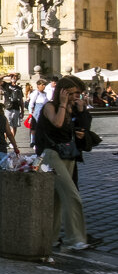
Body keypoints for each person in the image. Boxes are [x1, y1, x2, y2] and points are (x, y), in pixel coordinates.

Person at [34, 76, 94, 251]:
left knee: (57, 199)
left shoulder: (71, 108)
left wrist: (81, 111)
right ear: (63, 91)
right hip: (52, 154)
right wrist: (62, 103)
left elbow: (85, 127)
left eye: (79, 93)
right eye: (73, 93)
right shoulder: (50, 107)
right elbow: (57, 123)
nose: (77, 96)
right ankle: (74, 239)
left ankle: (50, 238)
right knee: (72, 195)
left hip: (68, 155)